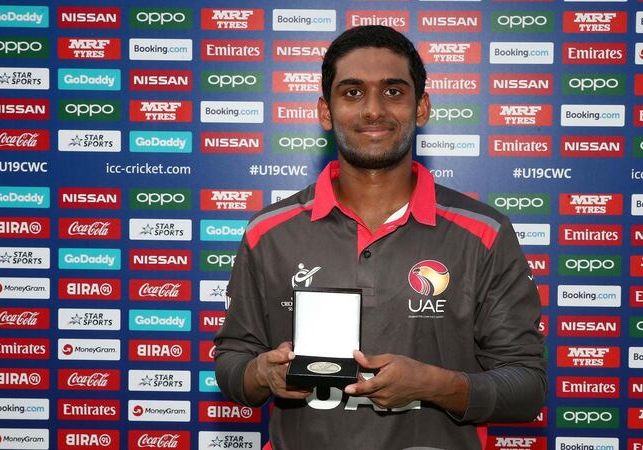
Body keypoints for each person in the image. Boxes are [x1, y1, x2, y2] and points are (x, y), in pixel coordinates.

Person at [214, 25, 546, 450]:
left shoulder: (483, 232)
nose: (373, 110)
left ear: (421, 107)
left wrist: (434, 384)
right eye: (352, 92)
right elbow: (231, 364)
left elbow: (527, 388)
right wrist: (263, 373)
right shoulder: (269, 231)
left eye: (393, 92)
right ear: (325, 111)